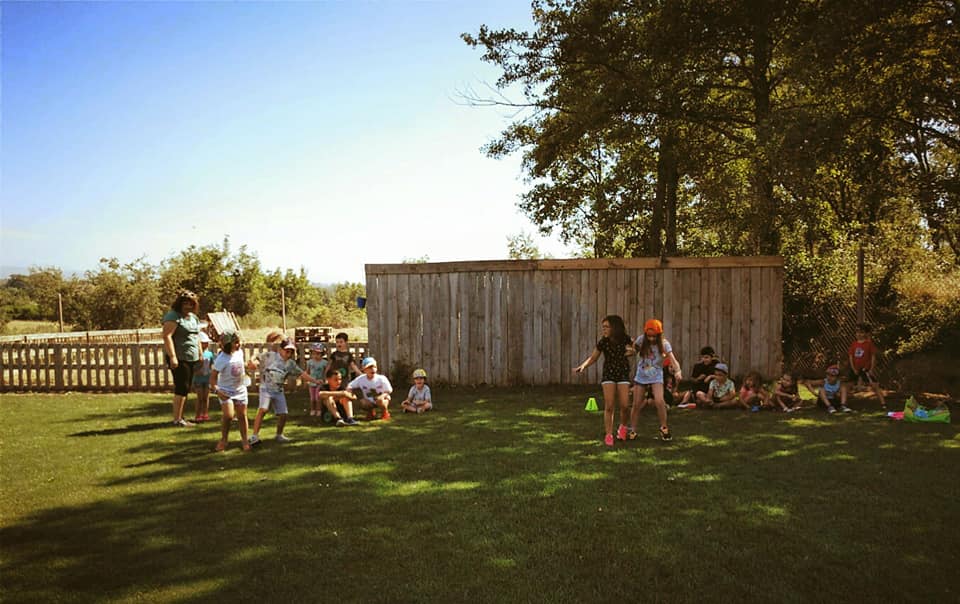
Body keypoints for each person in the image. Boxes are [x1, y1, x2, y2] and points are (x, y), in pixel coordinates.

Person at [249, 339, 323, 445]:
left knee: (283, 414)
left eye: (291, 352)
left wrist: (315, 381)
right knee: (263, 409)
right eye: (287, 351)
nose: (289, 354)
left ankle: (279, 435)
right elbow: (256, 356)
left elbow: (302, 374)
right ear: (280, 349)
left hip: (278, 390)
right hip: (266, 388)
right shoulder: (271, 356)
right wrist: (252, 361)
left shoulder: (290, 364)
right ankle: (254, 436)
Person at [574, 315, 633, 446]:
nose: (604, 329)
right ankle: (609, 434)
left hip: (623, 373)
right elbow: (593, 357)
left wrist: (632, 352)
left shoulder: (625, 339)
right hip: (609, 374)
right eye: (603, 327)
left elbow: (637, 348)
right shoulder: (603, 342)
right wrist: (583, 366)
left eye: (607, 327)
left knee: (625, 405)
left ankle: (623, 427)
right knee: (609, 405)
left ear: (615, 328)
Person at [628, 319, 682, 441]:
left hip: (656, 376)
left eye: (654, 336)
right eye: (649, 336)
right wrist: (631, 351)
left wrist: (678, 371)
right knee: (636, 404)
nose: (651, 339)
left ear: (659, 334)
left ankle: (664, 428)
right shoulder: (641, 339)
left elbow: (673, 360)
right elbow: (634, 349)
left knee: (659, 400)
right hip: (641, 375)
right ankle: (633, 430)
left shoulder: (664, 344)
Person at [162, 290, 201, 427]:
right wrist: (173, 357)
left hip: (191, 356)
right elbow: (167, 336)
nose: (188, 306)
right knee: (181, 387)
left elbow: (196, 336)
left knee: (186, 387)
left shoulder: (193, 317)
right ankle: (177, 419)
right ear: (179, 303)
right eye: (185, 303)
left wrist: (200, 353)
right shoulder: (173, 316)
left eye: (191, 304)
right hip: (179, 357)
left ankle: (180, 417)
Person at [210, 330, 251, 452]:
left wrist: (248, 366)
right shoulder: (221, 359)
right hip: (225, 391)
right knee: (228, 416)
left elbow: (240, 366)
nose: (239, 344)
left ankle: (245, 440)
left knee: (242, 415)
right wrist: (217, 391)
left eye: (239, 342)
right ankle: (224, 440)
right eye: (236, 342)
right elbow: (212, 378)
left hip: (240, 390)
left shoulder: (239, 353)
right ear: (228, 344)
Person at [848, 323, 887, 409]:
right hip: (855, 368)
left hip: (865, 369)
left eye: (861, 332)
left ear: (866, 333)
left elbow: (873, 357)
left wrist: (871, 369)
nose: (859, 334)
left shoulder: (869, 344)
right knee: (848, 385)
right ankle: (843, 403)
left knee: (874, 385)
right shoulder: (854, 344)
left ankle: (883, 403)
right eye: (857, 332)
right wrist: (853, 368)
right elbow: (851, 357)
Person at [348, 357, 393, 421]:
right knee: (364, 403)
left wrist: (382, 396)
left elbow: (389, 390)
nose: (372, 369)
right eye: (369, 368)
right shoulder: (361, 379)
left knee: (381, 401)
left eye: (374, 367)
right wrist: (351, 392)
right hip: (369, 400)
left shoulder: (381, 378)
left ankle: (385, 412)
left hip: (381, 398)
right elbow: (350, 386)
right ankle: (370, 412)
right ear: (364, 370)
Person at [192, 331, 214, 423]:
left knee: (206, 397)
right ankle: (197, 415)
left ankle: (205, 414)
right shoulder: (196, 354)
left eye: (206, 343)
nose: (206, 344)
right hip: (198, 379)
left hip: (207, 378)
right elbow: (193, 366)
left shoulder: (210, 354)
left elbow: (211, 364)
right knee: (200, 398)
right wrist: (197, 371)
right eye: (204, 343)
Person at [306, 343, 329, 417]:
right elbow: (307, 372)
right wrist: (306, 380)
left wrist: (325, 380)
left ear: (322, 354)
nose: (316, 355)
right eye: (314, 354)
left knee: (318, 397)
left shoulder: (324, 363)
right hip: (311, 383)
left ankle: (319, 410)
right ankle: (313, 409)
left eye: (318, 354)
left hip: (320, 382)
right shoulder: (310, 362)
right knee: (312, 398)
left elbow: (326, 372)